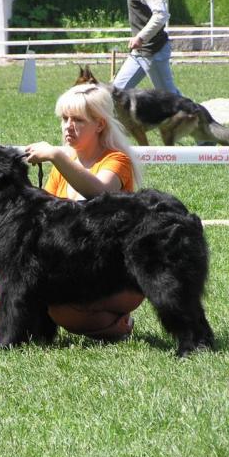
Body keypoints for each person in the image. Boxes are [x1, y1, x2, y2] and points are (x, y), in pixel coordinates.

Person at [15, 83, 144, 341]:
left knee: (65, 311)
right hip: (76, 264)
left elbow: (99, 192)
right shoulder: (64, 164)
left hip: (115, 271)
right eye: (64, 119)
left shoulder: (117, 161)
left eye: (78, 120)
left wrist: (56, 155)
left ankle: (118, 325)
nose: (67, 126)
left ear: (99, 124)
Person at [113, 0, 180, 95]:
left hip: (154, 52)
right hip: (138, 53)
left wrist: (140, 37)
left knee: (171, 98)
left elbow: (161, 14)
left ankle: (193, 111)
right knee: (116, 93)